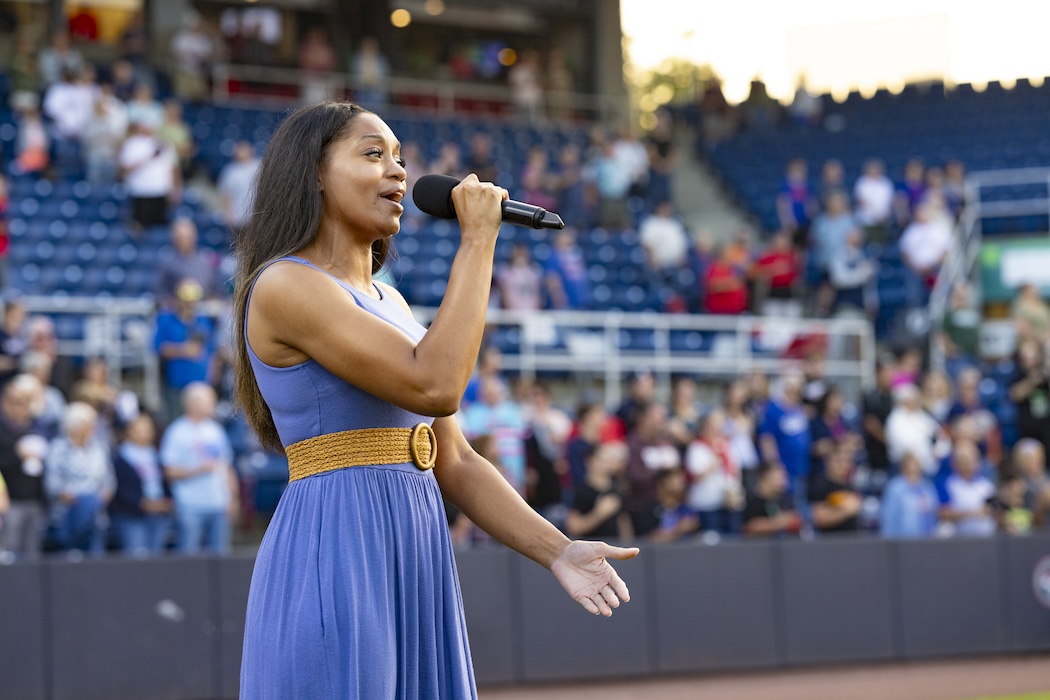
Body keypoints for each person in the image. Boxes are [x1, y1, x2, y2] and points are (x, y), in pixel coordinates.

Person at [233, 102, 637, 698]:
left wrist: (558, 550)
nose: (398, 172)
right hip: (339, 546)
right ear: (314, 173)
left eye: (399, 158)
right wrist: (478, 240)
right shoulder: (285, 285)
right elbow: (437, 385)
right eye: (373, 154)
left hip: (415, 550)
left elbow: (455, 459)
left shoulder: (390, 303)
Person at [45, 402, 114, 554]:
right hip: (67, 513)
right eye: (88, 424)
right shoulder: (58, 448)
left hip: (96, 514)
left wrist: (102, 496)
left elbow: (109, 479)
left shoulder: (100, 448)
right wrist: (72, 497)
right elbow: (52, 483)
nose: (93, 428)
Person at [154, 279, 218, 421]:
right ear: (177, 299)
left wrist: (212, 378)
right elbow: (159, 347)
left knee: (203, 425)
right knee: (177, 422)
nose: (189, 303)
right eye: (186, 298)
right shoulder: (166, 320)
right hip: (176, 385)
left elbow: (212, 352)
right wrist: (184, 350)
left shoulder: (204, 321)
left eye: (193, 299)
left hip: (201, 384)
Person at [110, 413, 172, 555]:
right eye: (139, 429)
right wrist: (142, 503)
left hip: (158, 513)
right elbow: (119, 489)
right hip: (132, 515)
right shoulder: (121, 457)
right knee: (137, 557)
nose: (144, 434)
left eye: (147, 429)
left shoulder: (155, 454)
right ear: (129, 431)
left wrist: (166, 502)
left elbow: (162, 482)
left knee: (156, 556)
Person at [0, 376, 48, 558]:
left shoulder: (36, 430)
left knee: (32, 555)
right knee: (10, 553)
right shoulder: (2, 431)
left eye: (23, 402)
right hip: (9, 502)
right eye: (13, 402)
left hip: (34, 501)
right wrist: (16, 455)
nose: (18, 407)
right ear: (4, 403)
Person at [565, 441, 632, 540]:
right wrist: (599, 514)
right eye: (601, 459)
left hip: (615, 549)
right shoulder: (581, 492)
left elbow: (624, 522)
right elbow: (573, 528)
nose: (606, 463)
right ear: (589, 461)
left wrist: (627, 547)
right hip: (590, 550)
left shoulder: (617, 490)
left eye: (609, 459)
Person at [155, 218, 220, 305]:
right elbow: (159, 294)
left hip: (202, 312)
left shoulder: (205, 261)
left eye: (187, 237)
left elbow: (214, 292)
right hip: (176, 313)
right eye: (180, 237)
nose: (185, 241)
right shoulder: (167, 262)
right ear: (174, 239)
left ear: (194, 237)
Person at [879, 451, 939, 539]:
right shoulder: (895, 487)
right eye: (910, 465)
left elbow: (934, 511)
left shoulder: (927, 486)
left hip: (926, 539)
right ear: (903, 467)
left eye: (916, 464)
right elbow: (888, 517)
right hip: (902, 540)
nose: (913, 468)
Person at [807, 443, 863, 534]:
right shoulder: (820, 485)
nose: (844, 465)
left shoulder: (851, 486)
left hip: (852, 540)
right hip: (831, 542)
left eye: (847, 461)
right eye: (839, 461)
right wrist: (845, 511)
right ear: (827, 461)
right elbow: (819, 518)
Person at [742, 461, 802, 537]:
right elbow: (750, 527)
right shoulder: (752, 502)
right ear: (765, 476)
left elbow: (796, 520)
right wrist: (780, 522)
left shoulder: (785, 500)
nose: (784, 480)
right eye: (779, 475)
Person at [218, 141, 261, 235]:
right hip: (238, 218)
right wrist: (228, 215)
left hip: (256, 216)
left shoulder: (259, 166)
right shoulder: (230, 170)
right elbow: (226, 195)